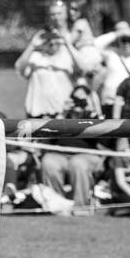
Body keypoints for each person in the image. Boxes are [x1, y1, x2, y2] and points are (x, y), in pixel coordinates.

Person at [39, 85, 108, 214]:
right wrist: (62, 114)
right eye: (75, 98)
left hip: (87, 156)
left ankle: (80, 208)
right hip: (60, 155)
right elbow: (46, 139)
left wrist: (94, 114)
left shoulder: (95, 117)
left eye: (83, 99)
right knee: (49, 162)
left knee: (78, 163)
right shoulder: (62, 116)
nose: (79, 102)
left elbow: (104, 143)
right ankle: (57, 207)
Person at [16, 5, 82, 118]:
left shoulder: (67, 54)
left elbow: (82, 68)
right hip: (37, 115)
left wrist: (67, 44)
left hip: (64, 114)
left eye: (54, 37)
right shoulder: (35, 56)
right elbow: (19, 67)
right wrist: (32, 45)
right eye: (48, 37)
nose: (51, 42)